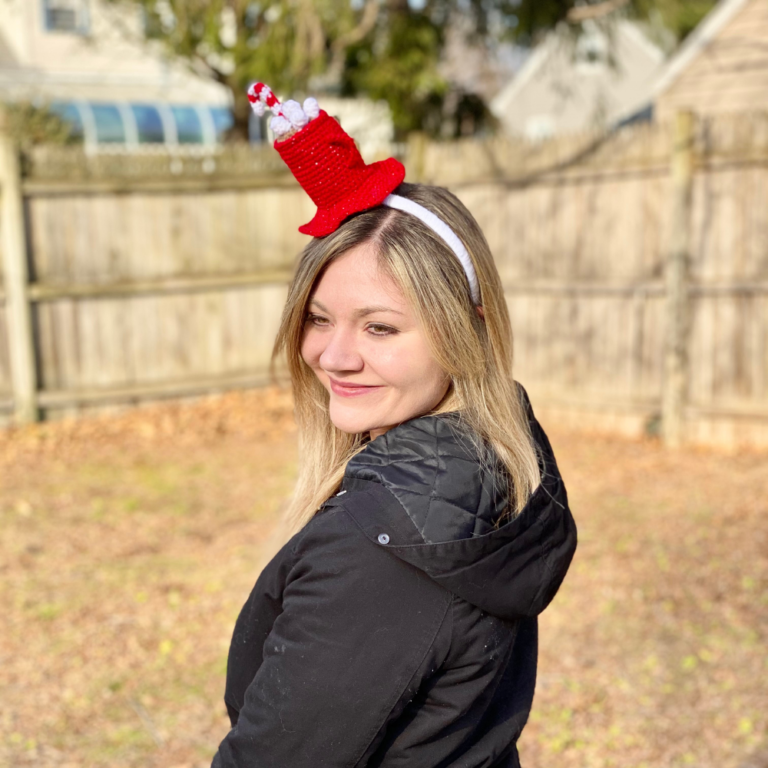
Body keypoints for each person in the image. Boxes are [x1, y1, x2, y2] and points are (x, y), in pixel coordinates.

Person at [211, 84, 577, 768]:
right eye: (318, 318)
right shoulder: (493, 459)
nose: (333, 355)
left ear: (461, 333)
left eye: (379, 327)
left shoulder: (381, 548)